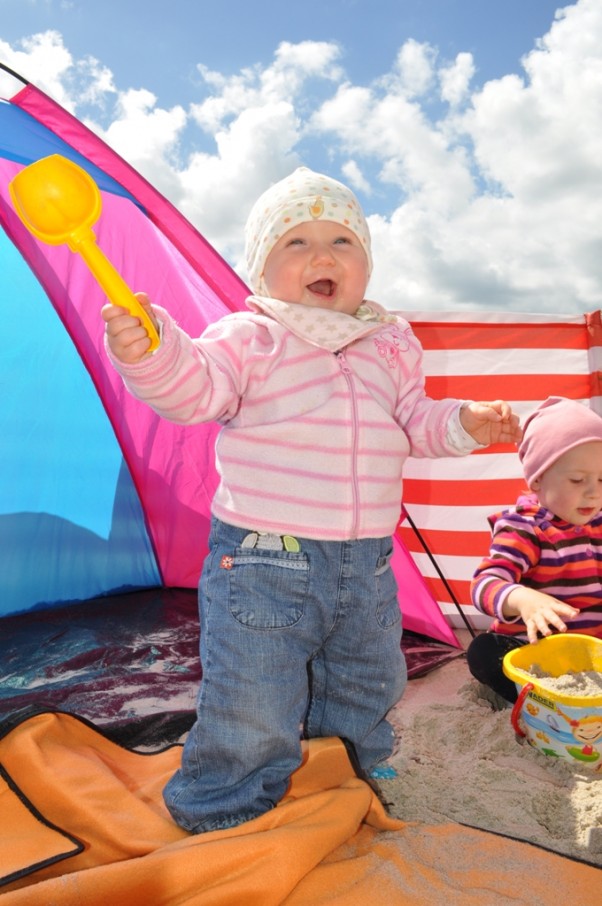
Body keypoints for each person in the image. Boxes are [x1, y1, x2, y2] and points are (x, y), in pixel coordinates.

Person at [102, 166, 521, 833]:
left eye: (342, 241)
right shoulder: (252, 337)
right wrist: (152, 352)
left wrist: (465, 423)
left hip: (368, 564)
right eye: (295, 242)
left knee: (366, 680)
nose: (323, 255)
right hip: (267, 562)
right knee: (254, 696)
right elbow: (194, 390)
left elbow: (417, 420)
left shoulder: (390, 346)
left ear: (365, 266)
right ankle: (224, 807)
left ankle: (355, 768)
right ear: (261, 271)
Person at [467, 395, 602, 704]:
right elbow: (484, 585)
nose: (594, 491)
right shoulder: (525, 528)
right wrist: (522, 598)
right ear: (538, 479)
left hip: (592, 652)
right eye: (578, 480)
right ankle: (537, 699)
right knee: (483, 652)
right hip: (537, 655)